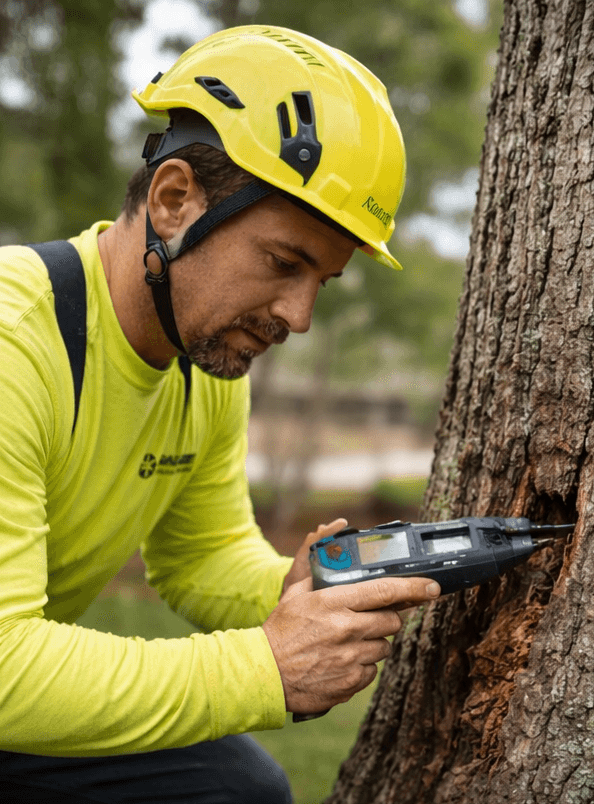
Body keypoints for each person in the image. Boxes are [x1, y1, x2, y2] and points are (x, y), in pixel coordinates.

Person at [0, 25, 438, 803]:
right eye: (282, 263)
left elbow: (199, 555)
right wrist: (267, 667)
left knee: (235, 789)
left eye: (322, 282)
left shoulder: (203, 360)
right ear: (174, 201)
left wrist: (300, 589)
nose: (299, 317)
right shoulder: (16, 343)